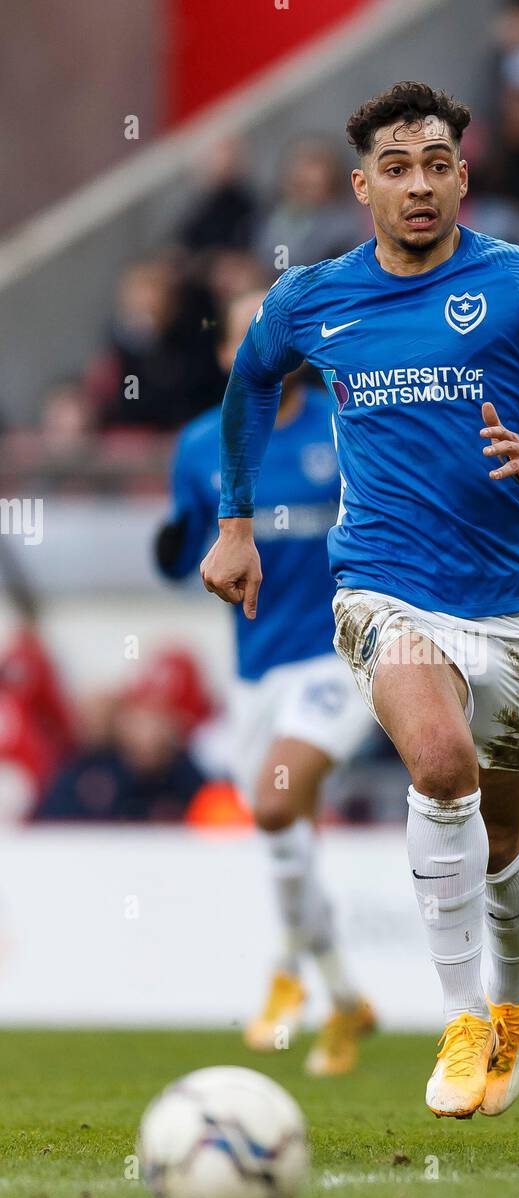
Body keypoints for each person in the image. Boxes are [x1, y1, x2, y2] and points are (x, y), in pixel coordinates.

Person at [201, 82, 519, 1118]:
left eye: (436, 163)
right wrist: (235, 520)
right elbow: (250, 382)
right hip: (383, 585)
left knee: (499, 836)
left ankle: (513, 1001)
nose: (419, 184)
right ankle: (459, 1017)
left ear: (462, 176)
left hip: (512, 605)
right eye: (396, 168)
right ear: (362, 187)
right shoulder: (312, 298)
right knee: (437, 763)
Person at [156, 292, 375, 1077]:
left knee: (279, 804)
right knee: (290, 836)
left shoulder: (343, 428)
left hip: (341, 657)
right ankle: (344, 997)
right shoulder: (197, 446)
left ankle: (285, 975)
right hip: (255, 675)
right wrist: (178, 542)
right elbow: (188, 559)